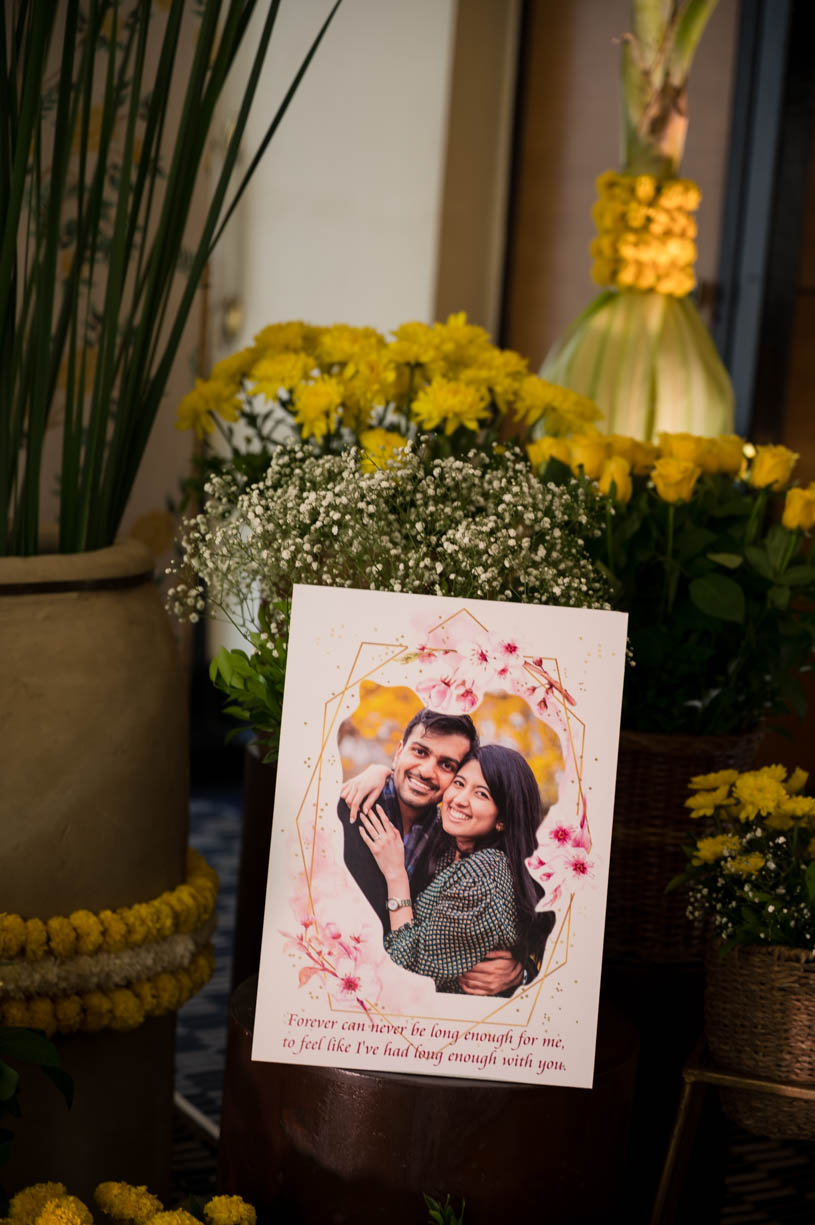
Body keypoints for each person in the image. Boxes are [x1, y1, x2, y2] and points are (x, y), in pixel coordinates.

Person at [337, 708, 523, 995]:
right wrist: (380, 769)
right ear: (398, 752)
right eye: (420, 752)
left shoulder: (451, 839)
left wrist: (521, 970)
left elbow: (520, 920)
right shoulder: (342, 812)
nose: (426, 771)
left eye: (446, 765)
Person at [356, 744, 556, 995]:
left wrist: (396, 875)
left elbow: (406, 972)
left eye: (481, 794)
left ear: (503, 818)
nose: (460, 800)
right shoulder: (450, 847)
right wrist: (380, 772)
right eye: (459, 783)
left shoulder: (484, 874)